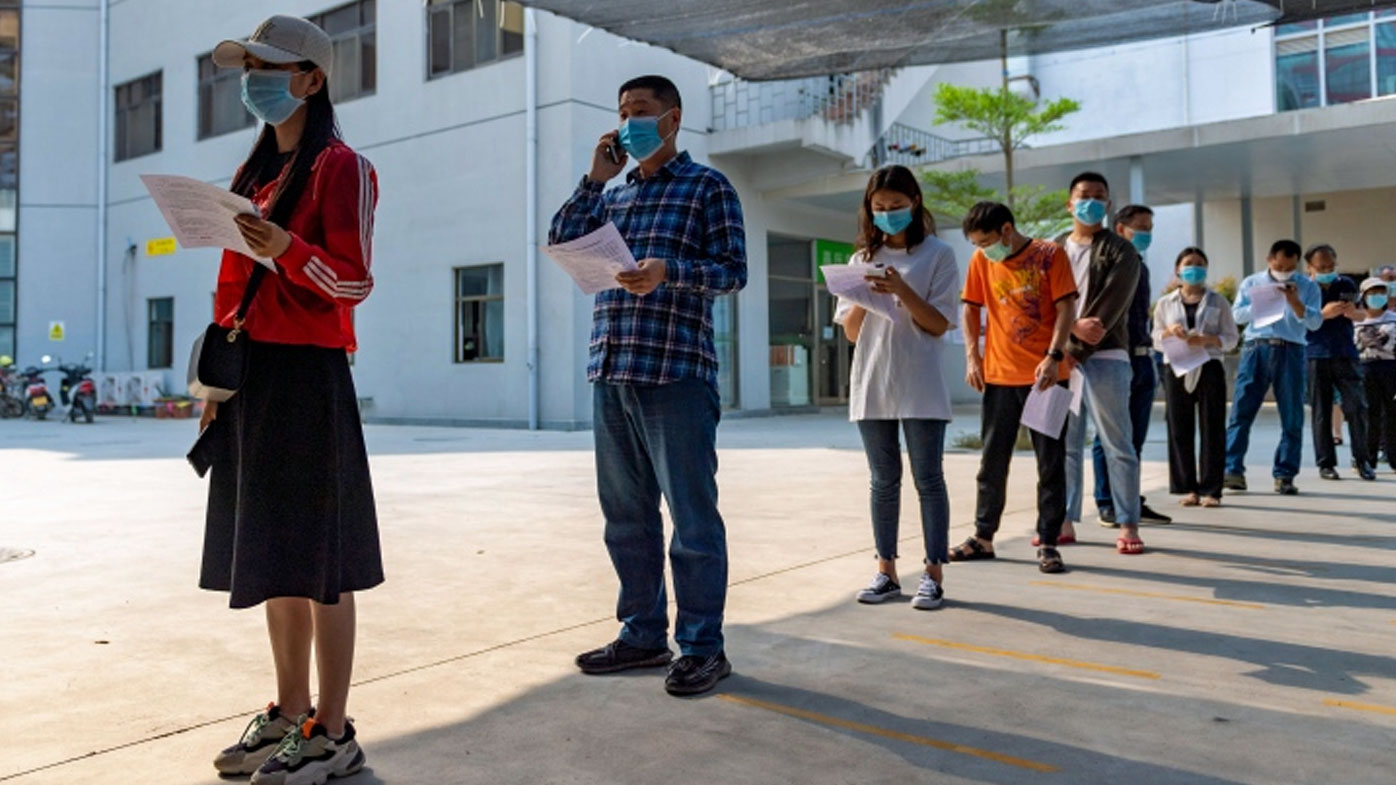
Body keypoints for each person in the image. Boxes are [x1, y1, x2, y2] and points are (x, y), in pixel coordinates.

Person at [199, 16, 379, 783]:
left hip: (309, 377)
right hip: (253, 376)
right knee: (275, 555)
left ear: (312, 78)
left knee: (323, 559)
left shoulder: (344, 168)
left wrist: (289, 251)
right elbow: (230, 289)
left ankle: (333, 730)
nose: (254, 80)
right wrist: (213, 387)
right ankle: (288, 708)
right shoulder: (250, 175)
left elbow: (355, 281)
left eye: (269, 67)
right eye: (249, 67)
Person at [550, 75, 746, 697]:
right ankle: (640, 635)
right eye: (623, 113)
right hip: (612, 371)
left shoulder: (707, 186)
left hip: (677, 375)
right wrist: (593, 179)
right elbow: (561, 239)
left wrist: (670, 272)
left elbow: (733, 272)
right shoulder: (615, 195)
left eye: (641, 111)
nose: (630, 122)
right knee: (626, 520)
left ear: (673, 118)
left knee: (692, 522)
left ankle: (702, 648)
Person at [834, 166, 959, 609]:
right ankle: (885, 570)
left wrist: (901, 289)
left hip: (920, 381)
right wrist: (866, 297)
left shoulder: (939, 255)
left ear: (915, 204)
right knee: (883, 481)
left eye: (896, 207)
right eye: (879, 207)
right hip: (872, 380)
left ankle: (933, 572)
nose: (887, 214)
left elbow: (939, 324)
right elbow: (851, 333)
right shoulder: (859, 260)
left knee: (929, 479)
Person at [953, 201, 1078, 574]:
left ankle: (1050, 542)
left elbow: (1067, 308)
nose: (983, 249)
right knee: (992, 460)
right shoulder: (981, 262)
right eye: (976, 243)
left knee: (1050, 463)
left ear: (1007, 230)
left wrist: (1054, 356)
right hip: (1000, 377)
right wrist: (972, 358)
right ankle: (983, 537)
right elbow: (970, 308)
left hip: (1047, 377)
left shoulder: (1049, 255)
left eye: (986, 241)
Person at [1058, 173, 1147, 555]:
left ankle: (1128, 523)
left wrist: (1071, 346)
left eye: (1099, 197)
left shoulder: (1121, 251)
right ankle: (1062, 520)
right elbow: (1043, 304)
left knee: (1117, 443)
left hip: (1105, 356)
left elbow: (1106, 312)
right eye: (1084, 196)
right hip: (1061, 355)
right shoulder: (1053, 250)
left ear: (1108, 205)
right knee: (1065, 444)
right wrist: (1062, 344)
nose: (1091, 202)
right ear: (1069, 203)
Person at [1092, 205, 1171, 527]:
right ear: (1121, 228)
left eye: (1150, 227)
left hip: (1143, 356)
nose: (1147, 233)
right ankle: (1106, 501)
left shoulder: (1140, 266)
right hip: (1114, 357)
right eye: (1141, 227)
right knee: (1109, 436)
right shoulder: (1109, 263)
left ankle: (1130, 498)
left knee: (1134, 438)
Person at [1224, 240, 1322, 495]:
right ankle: (1232, 469)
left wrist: (1294, 300)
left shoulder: (1308, 286)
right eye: (1280, 266)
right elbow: (1236, 316)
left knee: (1292, 416)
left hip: (1291, 349)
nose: (1284, 272)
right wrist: (1265, 300)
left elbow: (1314, 323)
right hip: (1257, 347)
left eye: (1290, 268)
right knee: (1241, 411)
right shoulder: (1252, 282)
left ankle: (1285, 474)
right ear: (1270, 259)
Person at [1153, 248, 1239, 507]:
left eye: (1200, 264)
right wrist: (1169, 332)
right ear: (1178, 269)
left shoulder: (1218, 301)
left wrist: (1208, 339)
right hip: (1177, 366)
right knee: (1179, 426)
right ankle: (1187, 487)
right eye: (1189, 264)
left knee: (1212, 426)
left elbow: (1231, 338)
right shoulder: (1165, 303)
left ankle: (1212, 489)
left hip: (1209, 364)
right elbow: (1155, 338)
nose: (1194, 269)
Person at [1302, 244, 1373, 481]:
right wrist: (1323, 314)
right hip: (1315, 353)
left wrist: (1354, 314)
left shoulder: (1346, 284)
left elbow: (1363, 314)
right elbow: (1294, 320)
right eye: (1321, 267)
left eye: (1331, 265)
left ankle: (1362, 460)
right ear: (1309, 267)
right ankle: (1326, 464)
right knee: (1321, 410)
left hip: (1345, 353)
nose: (1327, 270)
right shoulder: (1303, 288)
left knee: (1357, 407)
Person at [1354, 277, 1396, 473]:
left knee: (1392, 413)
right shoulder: (1356, 319)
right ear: (1363, 296)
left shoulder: (1393, 318)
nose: (1377, 297)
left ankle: (1393, 456)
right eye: (1372, 293)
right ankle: (1367, 458)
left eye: (1381, 293)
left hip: (1391, 370)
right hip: (1365, 370)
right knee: (1370, 414)